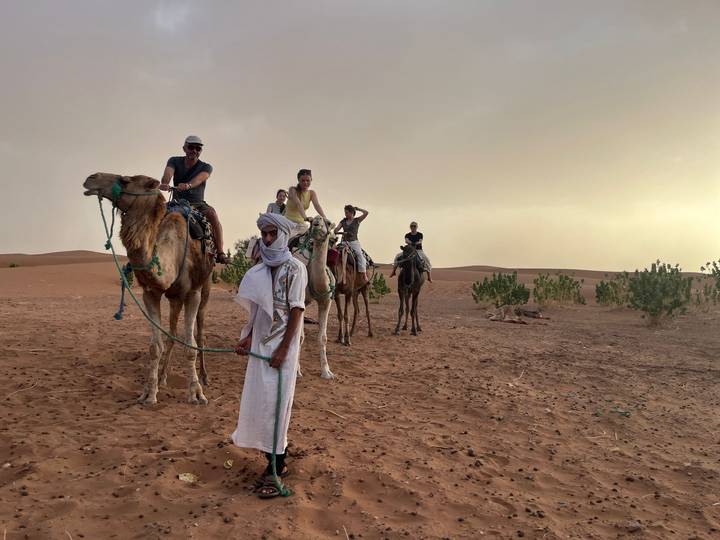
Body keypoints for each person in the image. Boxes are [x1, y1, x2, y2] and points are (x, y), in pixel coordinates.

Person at [232, 213, 307, 499]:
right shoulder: (260, 269)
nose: (267, 239)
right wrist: (247, 338)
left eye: (272, 234)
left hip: (283, 348)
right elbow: (256, 311)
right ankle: (273, 460)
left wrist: (285, 350)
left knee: (277, 404)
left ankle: (277, 467)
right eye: (264, 234)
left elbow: (297, 310)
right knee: (260, 401)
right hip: (261, 346)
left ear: (284, 235)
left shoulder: (296, 269)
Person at [160, 135, 228, 263]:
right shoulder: (174, 161)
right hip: (177, 203)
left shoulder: (206, 166)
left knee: (213, 215)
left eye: (198, 148)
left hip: (198, 205)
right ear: (184, 148)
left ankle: (220, 252)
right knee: (155, 213)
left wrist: (188, 185)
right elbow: (168, 173)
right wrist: (165, 182)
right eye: (191, 147)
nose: (194, 151)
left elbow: (201, 178)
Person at [284, 169, 328, 239]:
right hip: (288, 222)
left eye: (308, 180)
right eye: (303, 180)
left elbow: (317, 205)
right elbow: (298, 204)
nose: (305, 183)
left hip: (301, 226)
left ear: (311, 180)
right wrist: (305, 217)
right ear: (298, 180)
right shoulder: (292, 190)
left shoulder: (312, 193)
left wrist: (325, 218)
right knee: (285, 238)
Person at [333, 205, 369, 286]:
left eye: (347, 212)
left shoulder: (357, 220)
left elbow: (366, 213)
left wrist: (358, 208)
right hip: (344, 242)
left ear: (352, 213)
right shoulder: (343, 221)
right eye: (345, 212)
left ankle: (363, 274)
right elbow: (336, 229)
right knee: (333, 251)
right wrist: (337, 231)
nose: (345, 214)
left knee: (360, 256)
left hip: (354, 242)